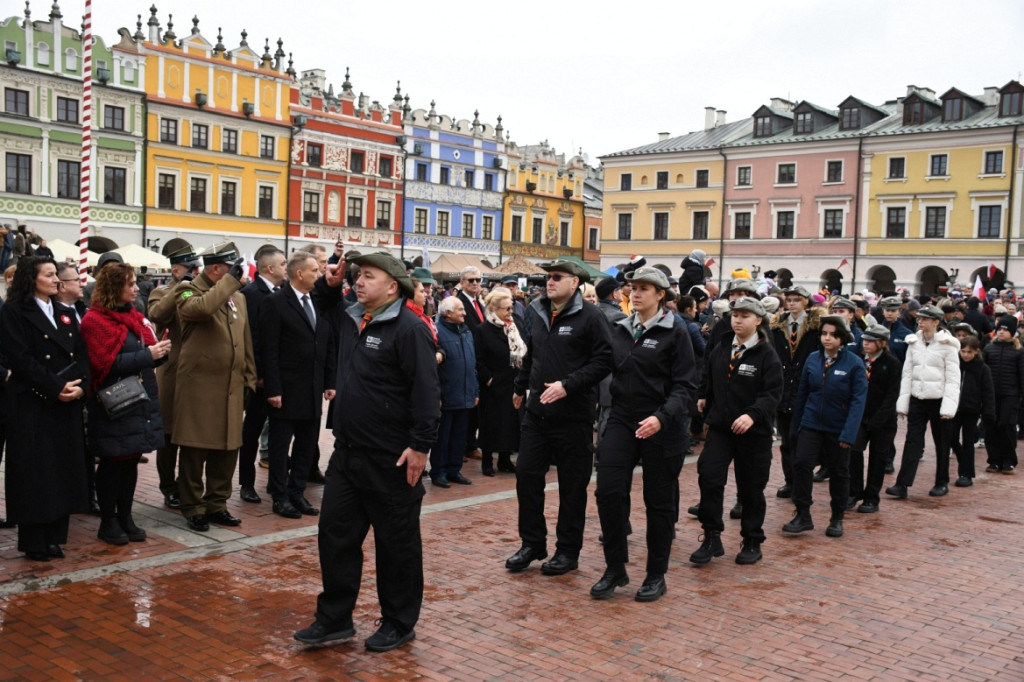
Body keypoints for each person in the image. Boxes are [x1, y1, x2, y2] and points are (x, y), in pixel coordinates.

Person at [294, 252, 439, 652]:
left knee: (397, 545)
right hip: (348, 453)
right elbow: (324, 305)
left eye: (368, 276)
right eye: (357, 276)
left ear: (392, 286)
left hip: (391, 458)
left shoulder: (409, 329)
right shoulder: (354, 317)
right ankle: (335, 619)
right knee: (335, 536)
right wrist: (330, 281)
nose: (358, 282)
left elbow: (427, 392)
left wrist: (420, 446)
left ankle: (398, 622)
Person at [591, 267, 695, 601]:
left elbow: (685, 386)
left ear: (660, 295)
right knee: (608, 489)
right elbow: (599, 366)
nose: (635, 294)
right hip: (623, 419)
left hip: (662, 426)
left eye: (644, 289)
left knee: (659, 502)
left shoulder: (675, 332)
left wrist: (661, 418)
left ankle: (656, 574)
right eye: (632, 288)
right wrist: (567, 384)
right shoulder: (621, 328)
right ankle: (615, 568)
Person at [505, 258, 613, 576]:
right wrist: (520, 386)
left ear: (574, 283)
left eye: (556, 277)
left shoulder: (590, 317)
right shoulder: (539, 312)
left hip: (574, 416)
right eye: (547, 277)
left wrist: (569, 385)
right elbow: (533, 355)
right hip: (537, 413)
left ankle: (567, 551)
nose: (548, 282)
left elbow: (605, 360)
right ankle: (533, 543)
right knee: (526, 477)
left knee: (571, 486)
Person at [0, 256, 90, 560]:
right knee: (36, 473)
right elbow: (20, 359)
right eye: (49, 275)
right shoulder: (14, 312)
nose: (57, 280)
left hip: (66, 401)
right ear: (32, 279)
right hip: (33, 402)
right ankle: (35, 540)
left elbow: (81, 353)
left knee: (62, 470)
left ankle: (55, 536)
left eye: (57, 275)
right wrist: (54, 388)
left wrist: (81, 385)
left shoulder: (65, 312)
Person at [81, 263, 170, 544]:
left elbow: (144, 354)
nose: (136, 288)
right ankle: (108, 521)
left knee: (131, 461)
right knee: (112, 463)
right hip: (113, 404)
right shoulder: (94, 321)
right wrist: (147, 355)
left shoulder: (134, 316)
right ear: (113, 287)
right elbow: (102, 365)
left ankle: (125, 516)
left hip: (139, 401)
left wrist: (160, 353)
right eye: (130, 284)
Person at [691, 298, 782, 566]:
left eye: (744, 316)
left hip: (754, 433)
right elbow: (710, 373)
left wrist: (752, 414)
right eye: (735, 315)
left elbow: (773, 393)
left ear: (758, 320)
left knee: (752, 487)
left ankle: (752, 540)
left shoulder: (766, 354)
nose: (737, 320)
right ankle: (711, 535)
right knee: (709, 475)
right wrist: (704, 396)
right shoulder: (722, 346)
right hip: (721, 427)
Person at [173, 243, 256, 531]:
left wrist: (250, 378)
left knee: (227, 448)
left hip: (231, 387)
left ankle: (217, 504)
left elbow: (244, 340)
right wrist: (231, 283)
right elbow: (202, 309)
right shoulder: (186, 291)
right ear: (215, 268)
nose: (237, 274)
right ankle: (193, 506)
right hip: (199, 388)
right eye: (230, 268)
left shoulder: (237, 298)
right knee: (195, 451)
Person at [261, 251, 335, 519]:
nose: (319, 274)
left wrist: (329, 381)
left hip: (313, 389)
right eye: (314, 270)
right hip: (286, 390)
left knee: (306, 445)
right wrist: (273, 389)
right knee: (281, 448)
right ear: (299, 273)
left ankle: (297, 493)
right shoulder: (276, 302)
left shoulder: (315, 301)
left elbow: (323, 343)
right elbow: (269, 350)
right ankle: (280, 497)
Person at [783, 316, 867, 538]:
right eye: (824, 334)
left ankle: (837, 517)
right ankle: (802, 514)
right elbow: (801, 394)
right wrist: (796, 426)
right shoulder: (812, 359)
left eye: (832, 334)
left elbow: (858, 402)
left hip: (838, 428)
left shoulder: (854, 363)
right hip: (811, 423)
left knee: (840, 471)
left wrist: (849, 434)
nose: (827, 338)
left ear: (842, 337)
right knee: (801, 463)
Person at [886, 305, 961, 500]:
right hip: (918, 399)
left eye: (925, 319)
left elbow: (953, 378)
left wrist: (948, 407)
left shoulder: (948, 345)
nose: (920, 322)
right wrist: (903, 404)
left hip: (939, 401)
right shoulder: (913, 343)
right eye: (919, 318)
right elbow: (907, 374)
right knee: (912, 441)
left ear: (936, 322)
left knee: (942, 443)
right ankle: (902, 484)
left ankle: (941, 481)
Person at [148, 247, 201, 509]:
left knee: (192, 433)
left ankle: (187, 484)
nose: (196, 273)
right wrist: (181, 287)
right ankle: (168, 486)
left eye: (196, 268)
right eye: (190, 269)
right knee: (168, 435)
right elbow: (157, 314)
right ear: (176, 270)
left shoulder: (199, 291)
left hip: (196, 372)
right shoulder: (161, 292)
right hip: (171, 372)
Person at [238, 246, 287, 504]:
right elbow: (251, 338)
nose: (286, 269)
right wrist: (256, 375)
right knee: (251, 433)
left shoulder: (282, 293)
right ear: (270, 268)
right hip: (259, 379)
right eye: (283, 264)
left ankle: (276, 482)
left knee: (279, 433)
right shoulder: (249, 295)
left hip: (279, 376)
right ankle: (246, 483)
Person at [770, 285, 823, 498]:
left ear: (806, 302)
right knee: (786, 440)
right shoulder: (778, 326)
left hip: (805, 388)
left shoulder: (815, 327)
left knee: (801, 440)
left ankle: (802, 482)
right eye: (789, 300)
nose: (792, 303)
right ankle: (790, 481)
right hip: (783, 389)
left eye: (796, 300)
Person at [846, 325, 901, 514]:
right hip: (859, 417)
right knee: (853, 452)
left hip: (883, 421)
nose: (866, 343)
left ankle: (872, 497)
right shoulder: (858, 360)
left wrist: (879, 418)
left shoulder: (891, 363)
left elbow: (892, 394)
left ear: (882, 343)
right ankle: (854, 492)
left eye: (871, 340)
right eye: (865, 340)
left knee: (878, 459)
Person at [473, 287, 526, 477]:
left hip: (512, 381)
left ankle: (505, 459)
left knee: (510, 423)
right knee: (491, 424)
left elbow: (521, 350)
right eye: (506, 309)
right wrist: (488, 379)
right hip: (494, 385)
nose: (510, 312)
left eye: (511, 308)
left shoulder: (513, 326)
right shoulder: (483, 330)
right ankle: (488, 461)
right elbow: (478, 359)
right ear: (494, 309)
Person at [431, 297, 479, 487]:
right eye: (460, 310)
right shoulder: (438, 332)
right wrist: (438, 395)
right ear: (448, 313)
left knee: (459, 436)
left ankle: (454, 469)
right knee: (443, 437)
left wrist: (475, 391)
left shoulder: (466, 332)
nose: (464, 313)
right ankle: (439, 471)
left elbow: (472, 364)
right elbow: (434, 369)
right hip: (447, 394)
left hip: (465, 394)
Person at [982, 316, 1024, 474]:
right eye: (999, 329)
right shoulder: (989, 348)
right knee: (990, 427)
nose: (1001, 332)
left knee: (1006, 426)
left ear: (1013, 333)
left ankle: (1008, 460)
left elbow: (1022, 375)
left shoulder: (1018, 351)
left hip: (1010, 395)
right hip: (991, 395)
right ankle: (993, 460)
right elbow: (982, 373)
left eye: (1005, 330)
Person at [953, 335, 995, 486]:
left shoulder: (983, 369)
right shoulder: (955, 365)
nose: (965, 355)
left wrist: (988, 412)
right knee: (951, 437)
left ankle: (966, 473)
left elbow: (988, 392)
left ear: (976, 352)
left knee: (968, 441)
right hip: (953, 408)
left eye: (969, 352)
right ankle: (962, 459)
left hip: (971, 409)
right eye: (963, 351)